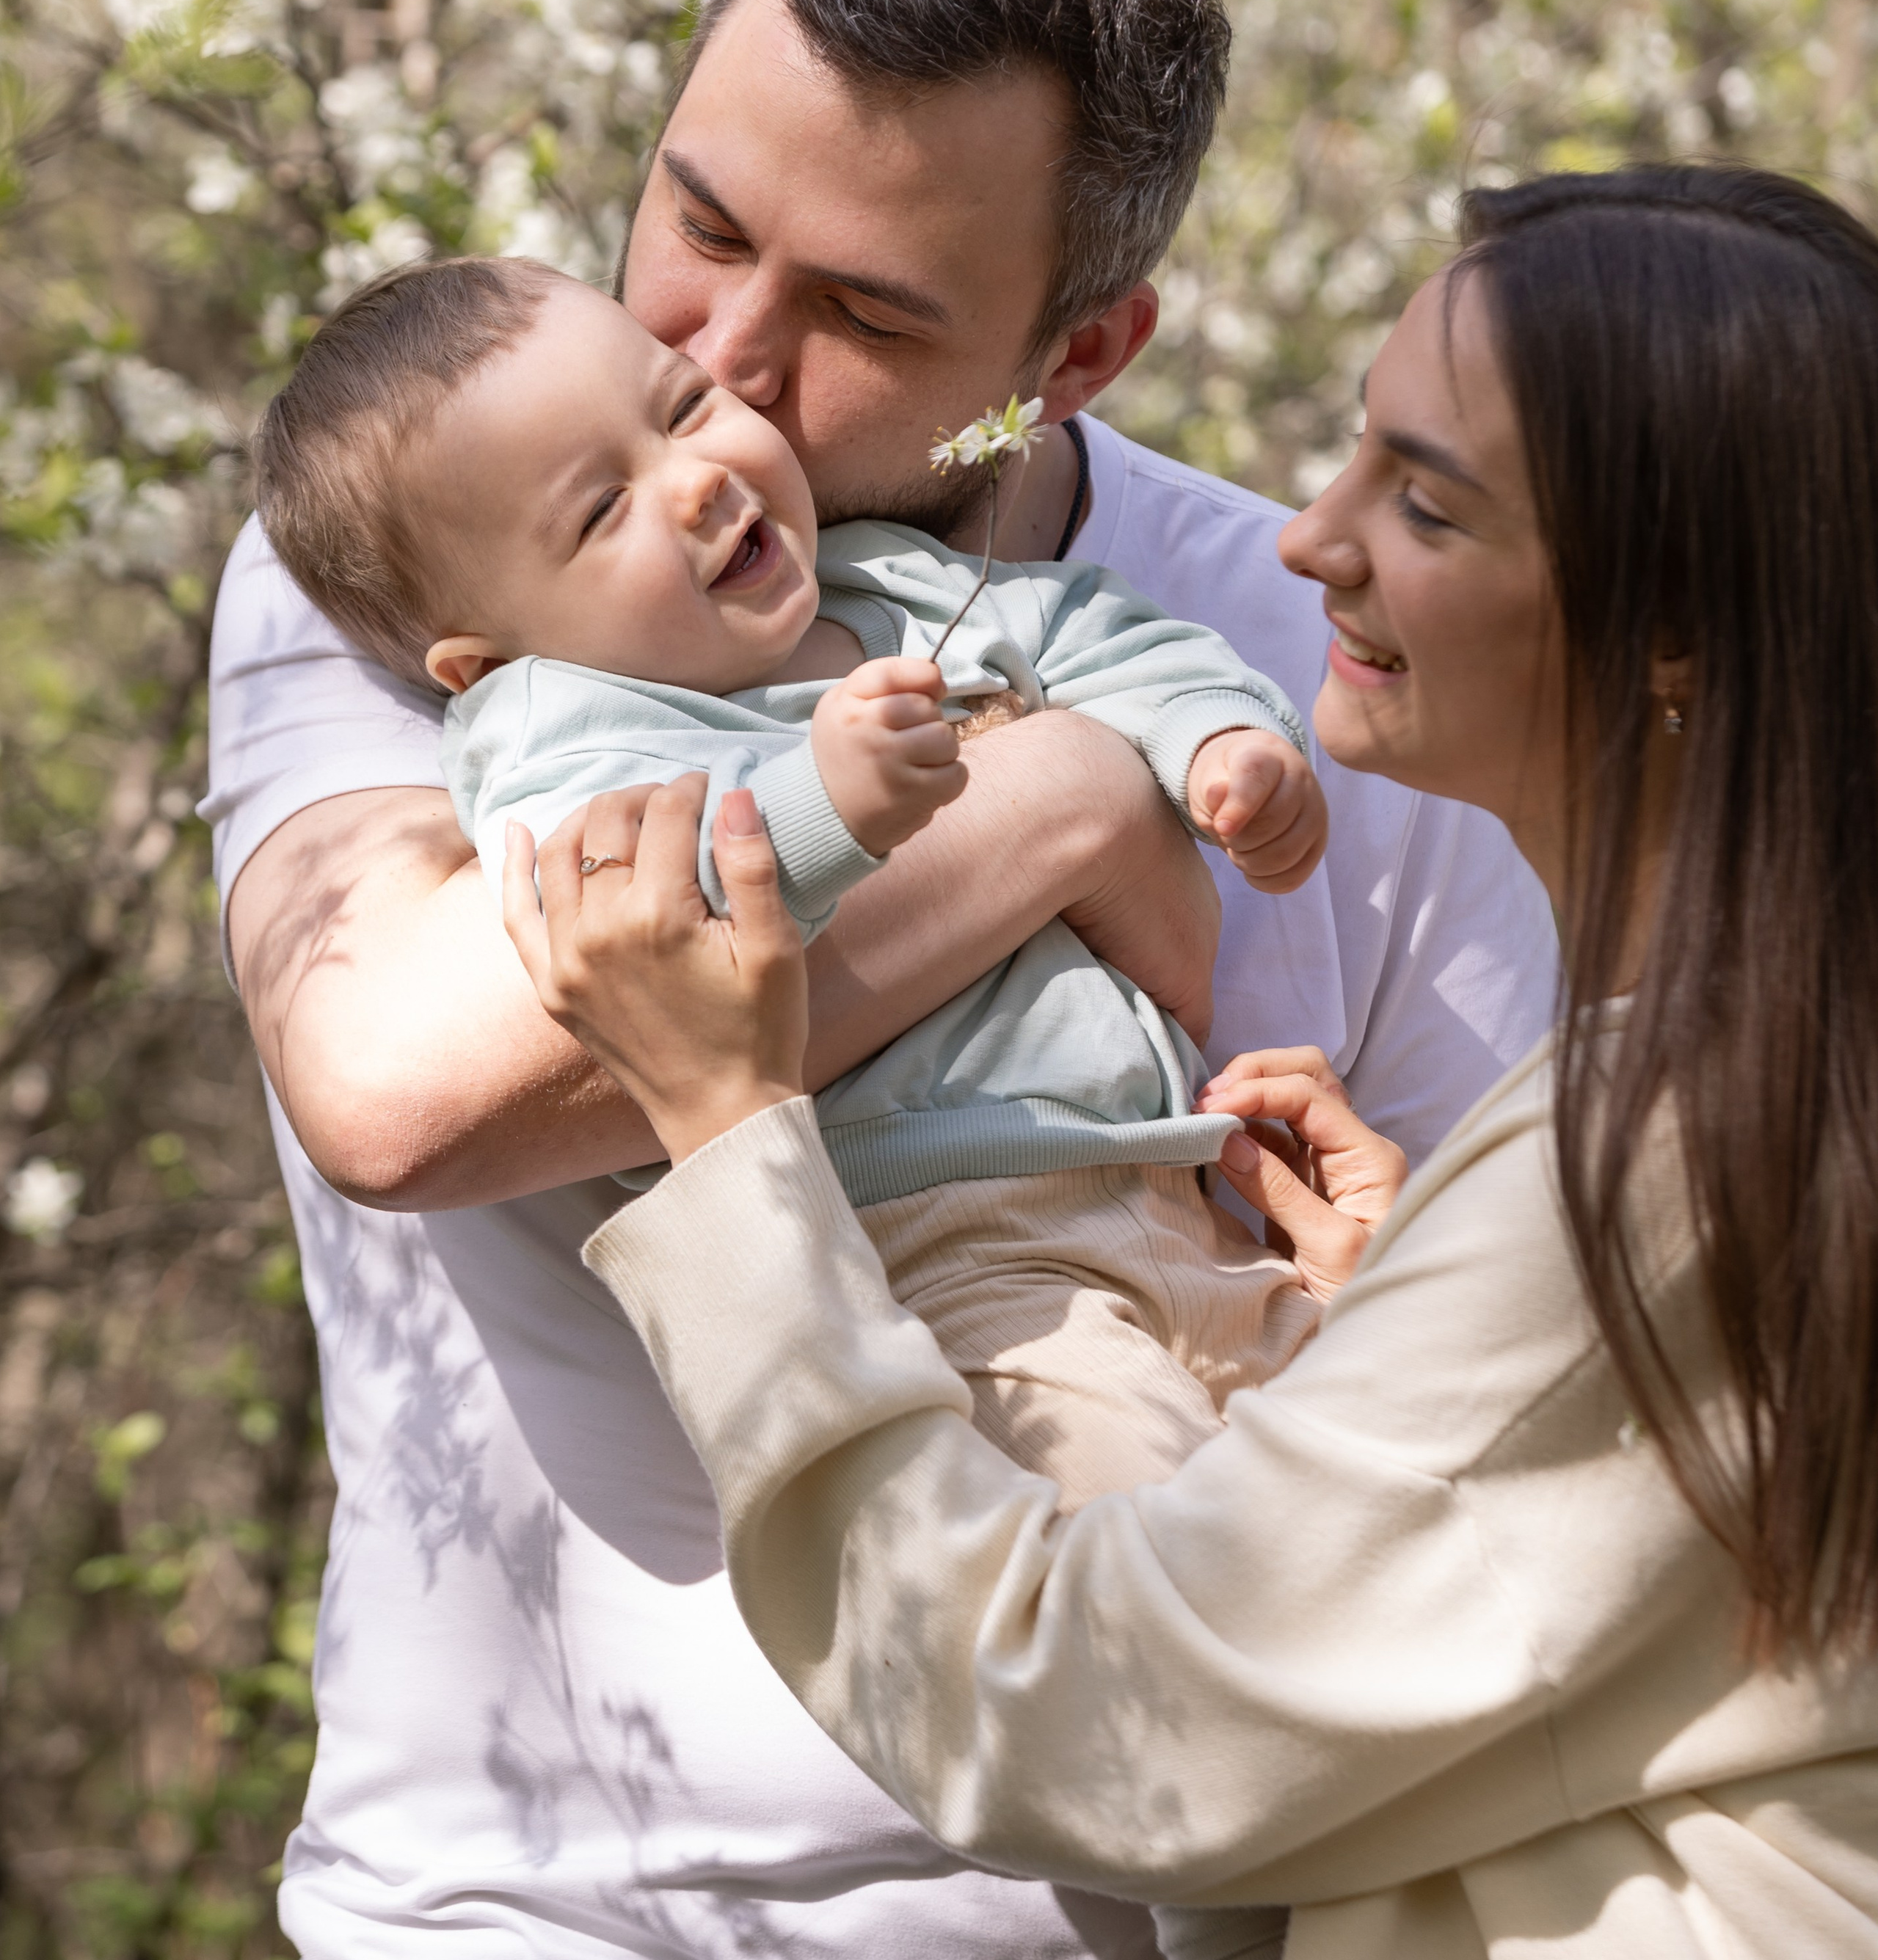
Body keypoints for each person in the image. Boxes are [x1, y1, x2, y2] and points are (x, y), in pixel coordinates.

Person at [212, 0, 1555, 1960]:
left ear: (1079, 353)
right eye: (693, 218)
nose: (716, 364)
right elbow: (414, 1090)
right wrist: (1045, 803)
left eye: (852, 306)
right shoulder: (445, 531)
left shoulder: (1329, 638)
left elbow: (1482, 1335)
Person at [518, 165, 1878, 1960]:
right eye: (1353, 450)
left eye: (1423, 503)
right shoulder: (1732, 1110)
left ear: (1678, 633)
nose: (1313, 536)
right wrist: (1399, 1334)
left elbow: (1084, 1711)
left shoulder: (1679, 1150)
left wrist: (729, 1131)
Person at [253, 252, 1328, 1506]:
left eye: (684, 406)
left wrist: (1223, 739)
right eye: (603, 512)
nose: (698, 480)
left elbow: (1101, 634)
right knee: (1153, 1571)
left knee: (1367, 1533)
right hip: (947, 1246)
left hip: (1183, 1188)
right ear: (483, 658)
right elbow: (633, 926)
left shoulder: (889, 575)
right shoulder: (565, 726)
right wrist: (831, 810)